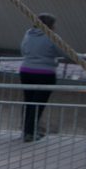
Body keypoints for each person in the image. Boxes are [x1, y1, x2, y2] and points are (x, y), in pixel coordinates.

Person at [20, 13, 62, 141]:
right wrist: (84, 57)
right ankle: (30, 132)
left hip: (26, 70)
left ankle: (27, 130)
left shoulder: (28, 34)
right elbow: (65, 53)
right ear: (51, 26)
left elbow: (23, 50)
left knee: (29, 101)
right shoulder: (51, 37)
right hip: (44, 73)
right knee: (38, 103)